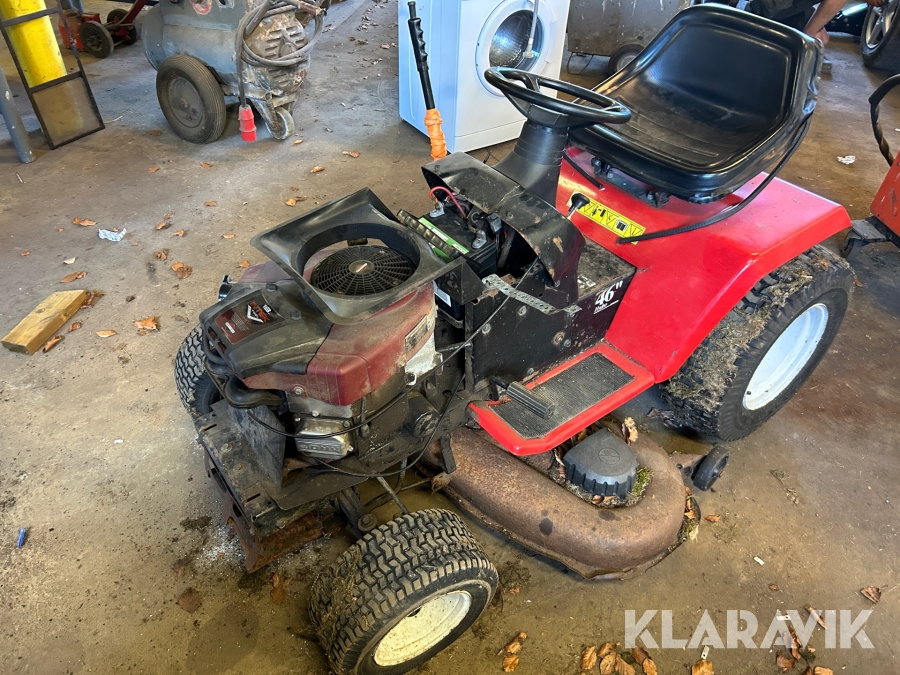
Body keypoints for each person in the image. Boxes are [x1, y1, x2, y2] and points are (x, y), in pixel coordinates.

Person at [743, 0, 845, 72]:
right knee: (815, 37)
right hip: (770, 5)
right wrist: (807, 39)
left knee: (821, 38)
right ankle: (803, 43)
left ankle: (760, 19)